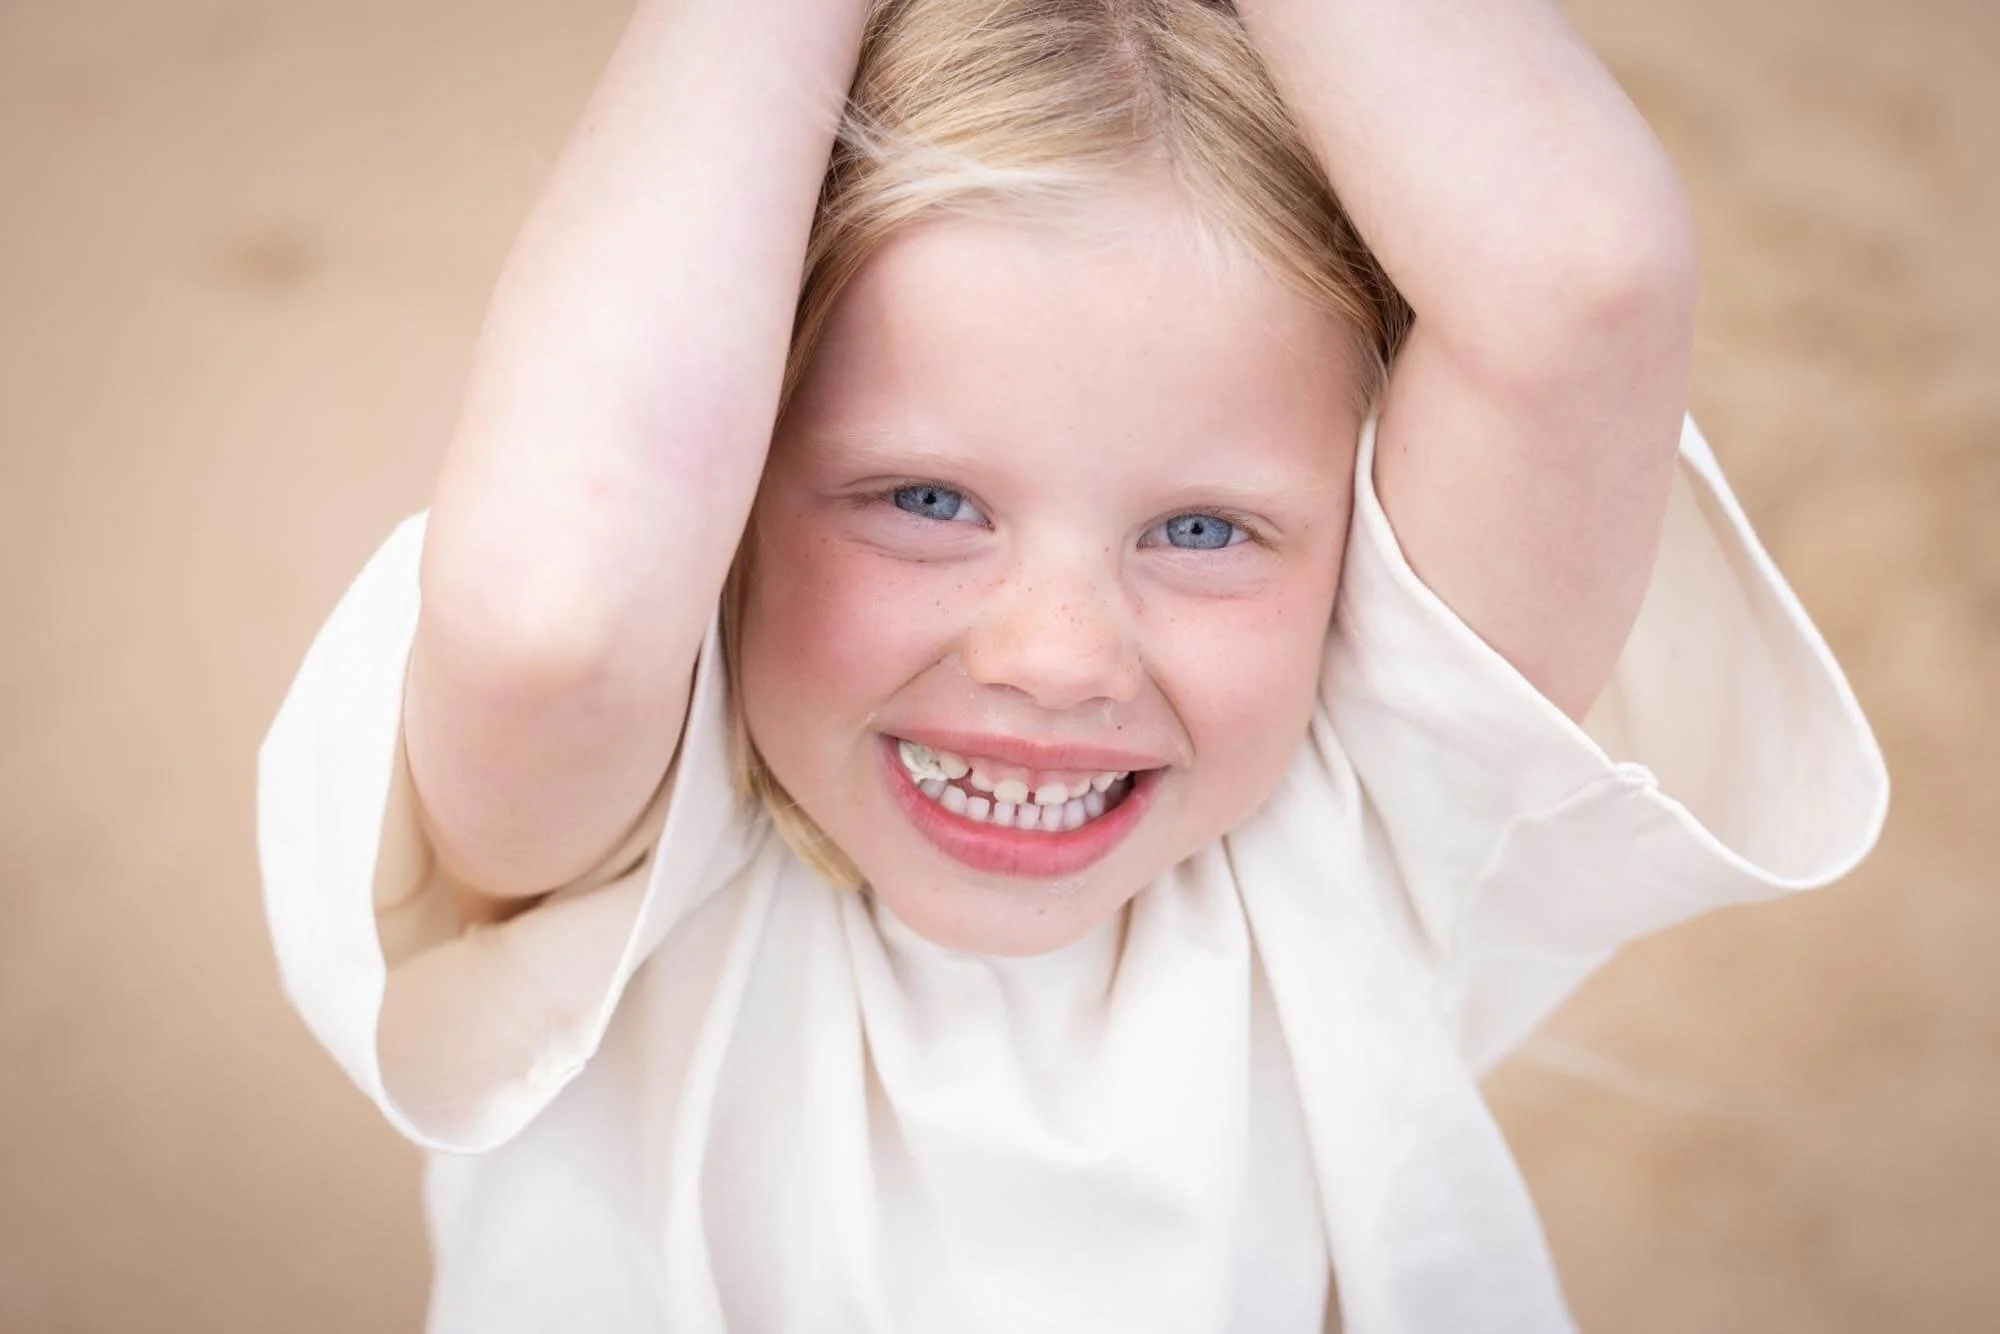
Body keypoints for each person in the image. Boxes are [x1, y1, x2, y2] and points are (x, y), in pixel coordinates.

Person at [257, 0, 1888, 1329]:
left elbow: (1583, 282)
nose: (1057, 658)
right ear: (731, 482)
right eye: (925, 501)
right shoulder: (630, 876)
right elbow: (554, 615)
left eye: (1203, 530)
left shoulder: (1358, 803)